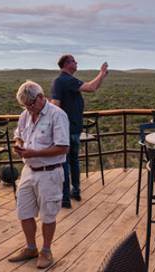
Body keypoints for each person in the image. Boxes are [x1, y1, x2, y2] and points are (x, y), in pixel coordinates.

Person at [8, 81, 69, 269]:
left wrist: (34, 153)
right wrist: (18, 143)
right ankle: (31, 247)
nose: (29, 109)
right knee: (24, 211)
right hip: (28, 170)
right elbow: (18, 134)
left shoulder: (57, 115)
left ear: (41, 97)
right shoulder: (25, 114)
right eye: (25, 106)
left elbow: (63, 147)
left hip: (49, 173)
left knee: (48, 215)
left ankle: (46, 250)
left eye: (31, 104)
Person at [50, 55, 108, 209]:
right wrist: (101, 74)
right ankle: (67, 195)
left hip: (71, 129)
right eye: (74, 61)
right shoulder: (65, 80)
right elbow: (90, 87)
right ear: (67, 64)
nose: (76, 63)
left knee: (70, 161)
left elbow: (55, 104)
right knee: (67, 162)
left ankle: (72, 192)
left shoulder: (63, 81)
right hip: (67, 129)